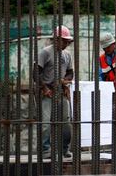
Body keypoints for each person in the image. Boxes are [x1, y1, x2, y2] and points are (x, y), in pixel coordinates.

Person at [36, 25, 73, 159]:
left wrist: (65, 80)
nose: (67, 43)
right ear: (57, 39)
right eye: (64, 40)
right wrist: (44, 88)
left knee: (65, 123)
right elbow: (36, 72)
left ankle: (64, 149)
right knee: (45, 123)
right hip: (47, 92)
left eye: (67, 41)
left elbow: (70, 73)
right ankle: (45, 150)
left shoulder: (67, 55)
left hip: (60, 92)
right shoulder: (45, 52)